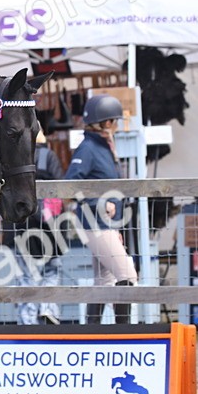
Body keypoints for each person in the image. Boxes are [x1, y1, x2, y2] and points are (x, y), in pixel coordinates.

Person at [66, 94, 137, 324]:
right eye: (114, 121)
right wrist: (98, 203)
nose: (116, 126)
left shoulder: (104, 147)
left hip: (104, 224)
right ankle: (122, 332)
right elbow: (70, 185)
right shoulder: (88, 148)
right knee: (127, 274)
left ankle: (93, 332)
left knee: (104, 280)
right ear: (106, 123)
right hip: (94, 222)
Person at [14, 129, 65, 325]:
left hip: (23, 222)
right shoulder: (49, 157)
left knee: (26, 272)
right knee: (51, 269)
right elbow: (60, 187)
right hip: (49, 224)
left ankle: (27, 318)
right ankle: (48, 308)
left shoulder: (17, 158)